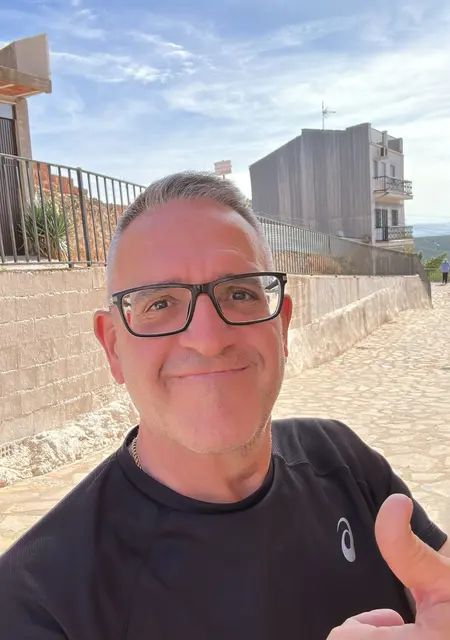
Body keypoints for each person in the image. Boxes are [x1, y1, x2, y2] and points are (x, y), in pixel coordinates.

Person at [0, 172, 449, 640]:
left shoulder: (343, 461)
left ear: (282, 326)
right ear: (113, 347)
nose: (209, 339)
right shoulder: (38, 602)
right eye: (160, 304)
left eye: (239, 294)